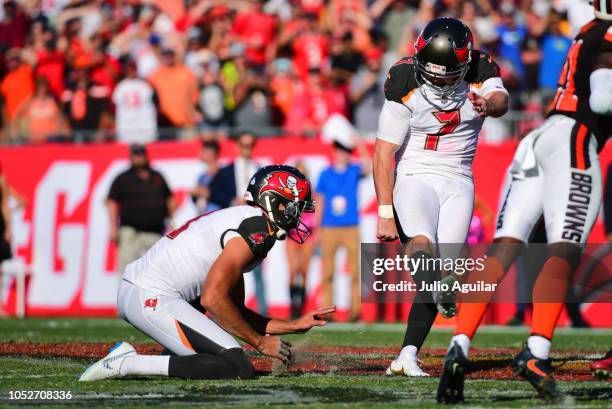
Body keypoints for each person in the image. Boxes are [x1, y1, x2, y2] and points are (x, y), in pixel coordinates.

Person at [437, 3, 612, 402]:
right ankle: (537, 352)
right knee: (564, 249)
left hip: (537, 139)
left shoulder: (586, 25)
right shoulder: (605, 35)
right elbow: (603, 97)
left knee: (506, 246)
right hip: (574, 139)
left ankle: (459, 345)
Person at [79, 165, 335, 381]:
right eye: (294, 207)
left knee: (223, 355)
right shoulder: (255, 230)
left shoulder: (253, 225)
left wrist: (294, 325)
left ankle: (166, 357)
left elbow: (235, 312)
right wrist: (259, 342)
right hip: (150, 294)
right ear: (273, 201)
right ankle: (127, 363)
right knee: (238, 366)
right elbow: (212, 299)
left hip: (148, 292)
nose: (298, 215)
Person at [374, 17, 508, 377]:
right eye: (431, 73)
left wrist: (488, 106)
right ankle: (437, 292)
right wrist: (385, 211)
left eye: (447, 74)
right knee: (423, 246)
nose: (438, 81)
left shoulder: (480, 67)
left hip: (459, 179)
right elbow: (384, 152)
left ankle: (407, 355)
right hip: (415, 174)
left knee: (444, 272)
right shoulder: (404, 79)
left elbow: (501, 98)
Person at [317, 137, 372, 322]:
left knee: (355, 272)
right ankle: (327, 312)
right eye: (340, 151)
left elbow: (368, 167)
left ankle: (355, 312)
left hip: (351, 226)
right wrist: (317, 229)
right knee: (327, 272)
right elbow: (321, 202)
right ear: (334, 153)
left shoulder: (353, 170)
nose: (342, 155)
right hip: (329, 227)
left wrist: (360, 145)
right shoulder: (325, 173)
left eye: (346, 151)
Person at [107, 144, 176, 274]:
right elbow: (112, 202)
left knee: (157, 268)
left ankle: (152, 295)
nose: (139, 157)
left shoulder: (157, 176)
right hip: (131, 232)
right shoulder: (123, 178)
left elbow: (170, 199)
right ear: (131, 157)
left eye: (141, 154)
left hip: (154, 232)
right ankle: (126, 294)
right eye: (136, 155)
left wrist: (172, 223)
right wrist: (113, 227)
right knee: (127, 268)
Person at [286, 162, 317, 319]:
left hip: (307, 235)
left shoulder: (311, 192)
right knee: (292, 271)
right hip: (292, 235)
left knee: (304, 271)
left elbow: (314, 214)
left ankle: (301, 309)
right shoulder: (287, 193)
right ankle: (293, 307)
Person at [112, 60, 158, 144]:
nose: (131, 71)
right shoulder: (121, 86)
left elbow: (155, 102)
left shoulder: (145, 85)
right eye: (129, 69)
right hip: (126, 128)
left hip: (144, 127)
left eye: (132, 69)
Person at [191, 140, 221, 214]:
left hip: (219, 215)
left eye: (203, 151)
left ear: (210, 153)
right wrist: (194, 194)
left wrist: (209, 193)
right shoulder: (202, 177)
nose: (200, 154)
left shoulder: (222, 174)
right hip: (204, 217)